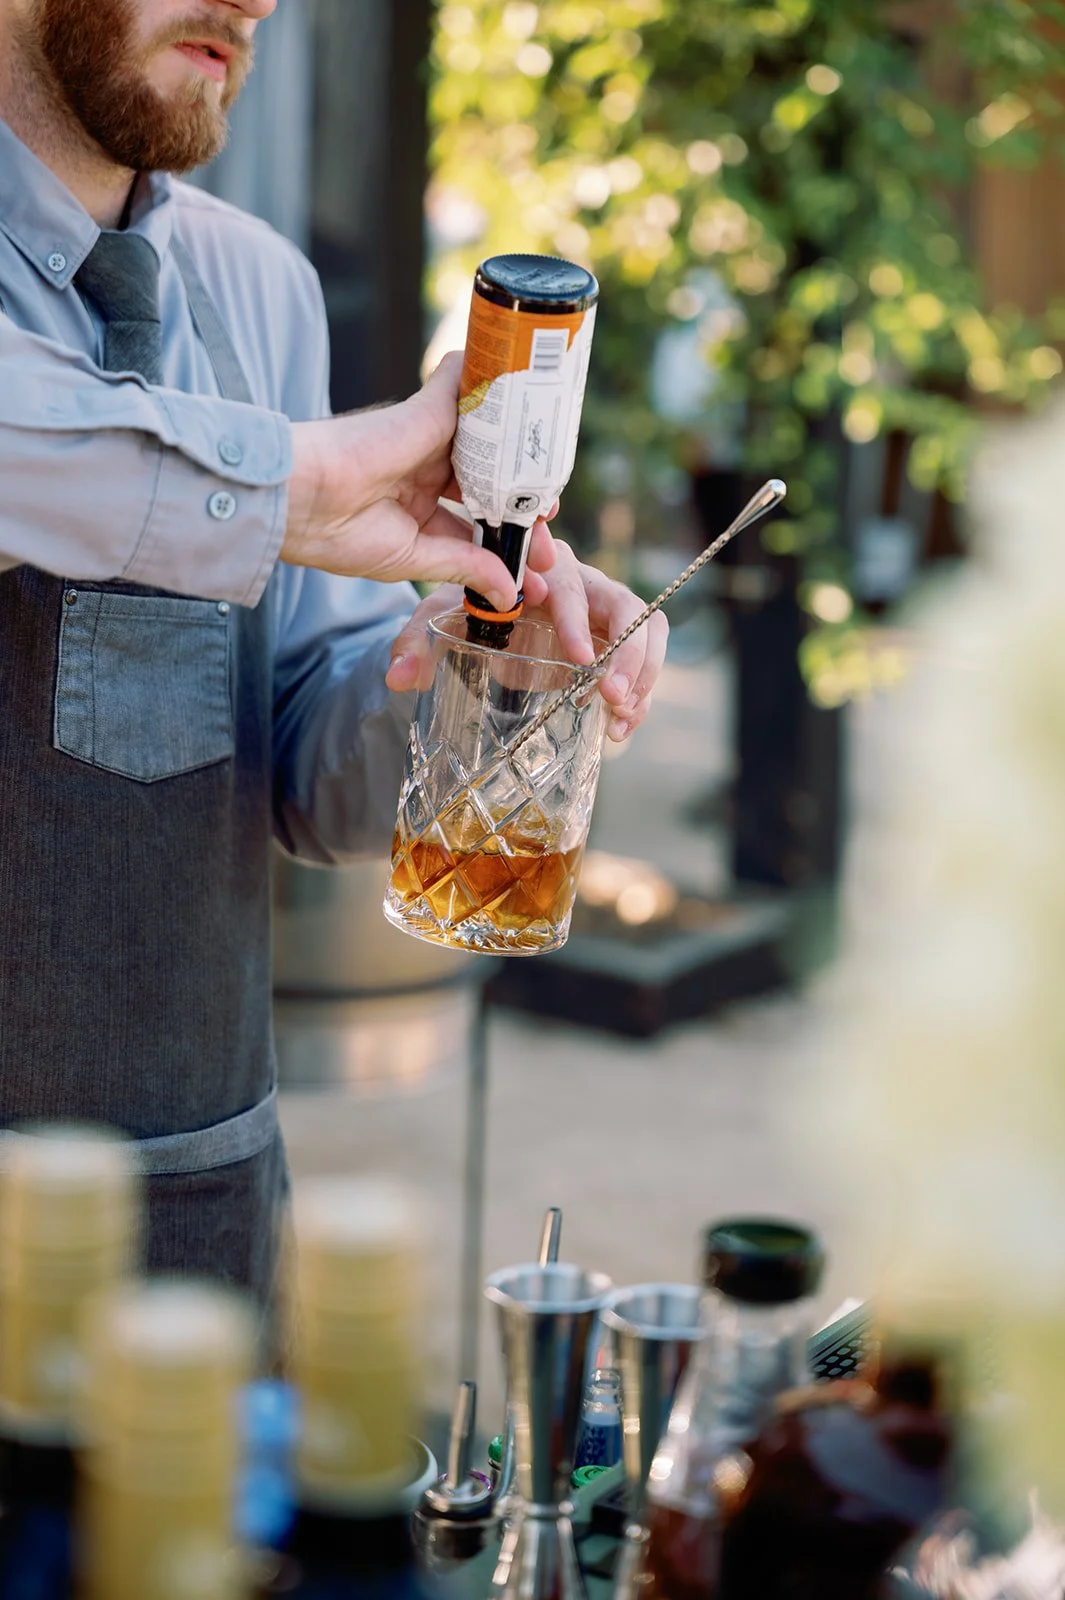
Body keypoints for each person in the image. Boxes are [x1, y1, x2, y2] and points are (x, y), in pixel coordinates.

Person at [0, 0, 669, 1308]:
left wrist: (477, 660)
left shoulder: (262, 290)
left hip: (200, 1224)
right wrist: (289, 483)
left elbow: (306, 765)